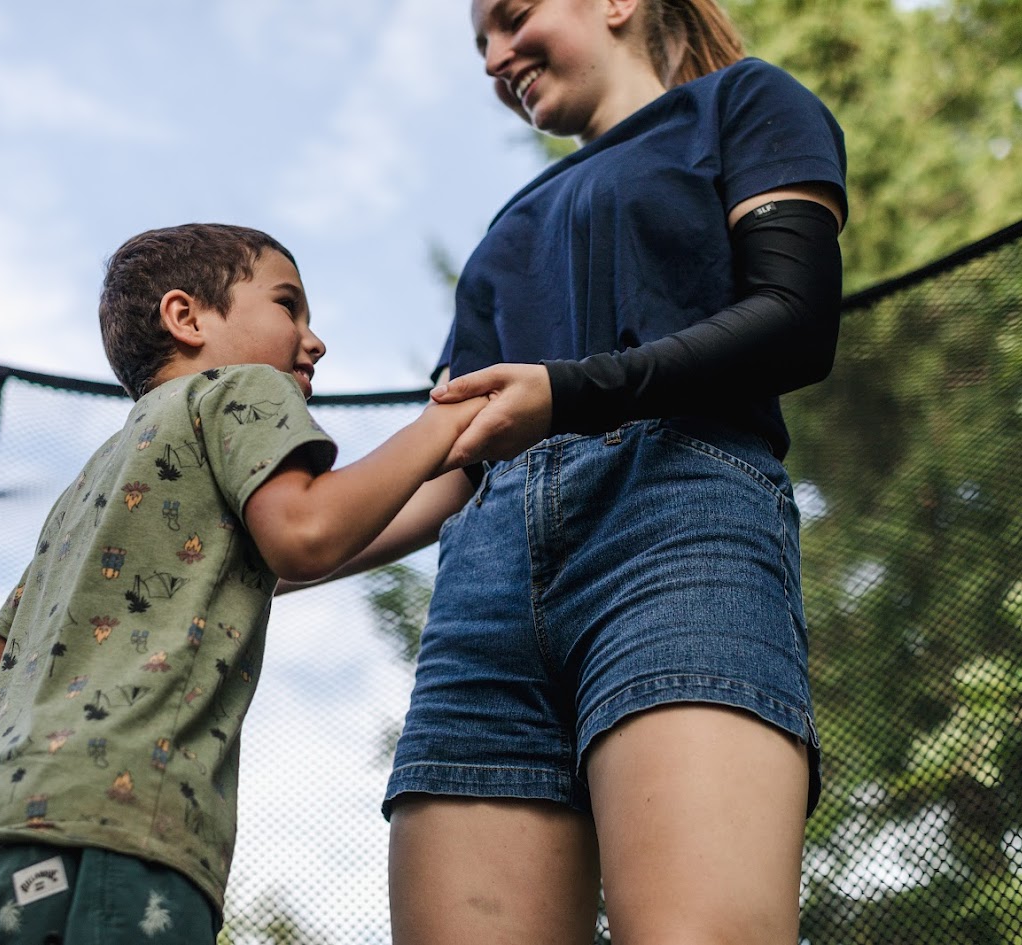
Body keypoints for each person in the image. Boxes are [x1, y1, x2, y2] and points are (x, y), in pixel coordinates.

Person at [313, 1, 848, 942]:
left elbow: (794, 319)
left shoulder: (742, 105)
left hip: (680, 524)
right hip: (482, 590)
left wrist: (568, 392)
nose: (493, 57)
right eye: (478, 43)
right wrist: (271, 558)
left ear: (614, 2)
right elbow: (454, 458)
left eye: (510, 18)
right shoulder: (506, 226)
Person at [0, 223, 484, 945]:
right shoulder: (239, 392)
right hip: (116, 832)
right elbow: (309, 531)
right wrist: (446, 423)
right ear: (187, 318)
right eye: (290, 306)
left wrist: (459, 479)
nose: (313, 342)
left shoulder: (96, 481)